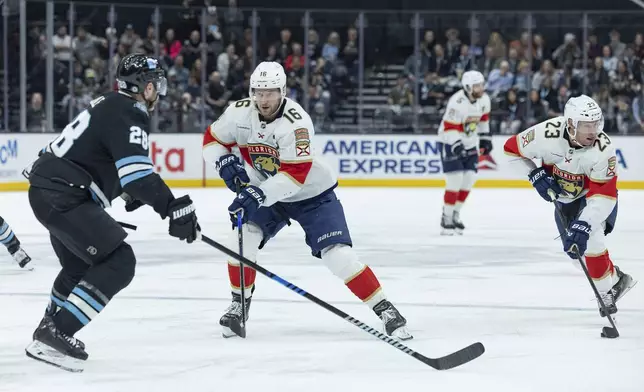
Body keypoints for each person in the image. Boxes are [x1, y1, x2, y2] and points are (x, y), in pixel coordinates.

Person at [202, 61, 412, 341]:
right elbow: (212, 139)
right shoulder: (238, 113)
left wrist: (257, 194)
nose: (264, 99)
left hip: (312, 195)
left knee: (338, 255)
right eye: (259, 92)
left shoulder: (296, 123)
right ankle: (239, 307)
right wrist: (224, 162)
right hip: (267, 191)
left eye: (271, 92)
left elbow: (294, 176)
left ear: (283, 91)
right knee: (241, 238)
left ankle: (384, 308)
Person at [24, 53, 201, 372]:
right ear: (145, 88)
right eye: (156, 85)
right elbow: (138, 174)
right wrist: (172, 207)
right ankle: (57, 331)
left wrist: (124, 190)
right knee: (119, 262)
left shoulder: (108, 102)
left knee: (79, 267)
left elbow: (101, 159)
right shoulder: (130, 110)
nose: (158, 93)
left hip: (49, 190)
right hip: (64, 196)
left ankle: (50, 329)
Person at [503, 94, 636, 318]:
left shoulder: (604, 150)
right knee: (576, 254)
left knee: (591, 238)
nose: (592, 132)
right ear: (571, 124)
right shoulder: (546, 134)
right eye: (586, 126)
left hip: (594, 199)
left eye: (595, 124)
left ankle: (605, 296)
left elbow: (603, 195)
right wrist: (533, 174)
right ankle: (616, 279)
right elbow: (510, 150)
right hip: (564, 202)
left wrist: (584, 223)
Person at [437, 70, 491, 235]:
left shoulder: (485, 100)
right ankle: (446, 217)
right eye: (477, 86)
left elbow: (483, 121)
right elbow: (449, 128)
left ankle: (455, 213)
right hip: (449, 141)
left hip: (470, 143)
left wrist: (485, 138)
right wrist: (456, 145)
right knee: (455, 180)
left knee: (468, 180)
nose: (481, 88)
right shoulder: (456, 102)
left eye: (481, 84)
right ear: (468, 87)